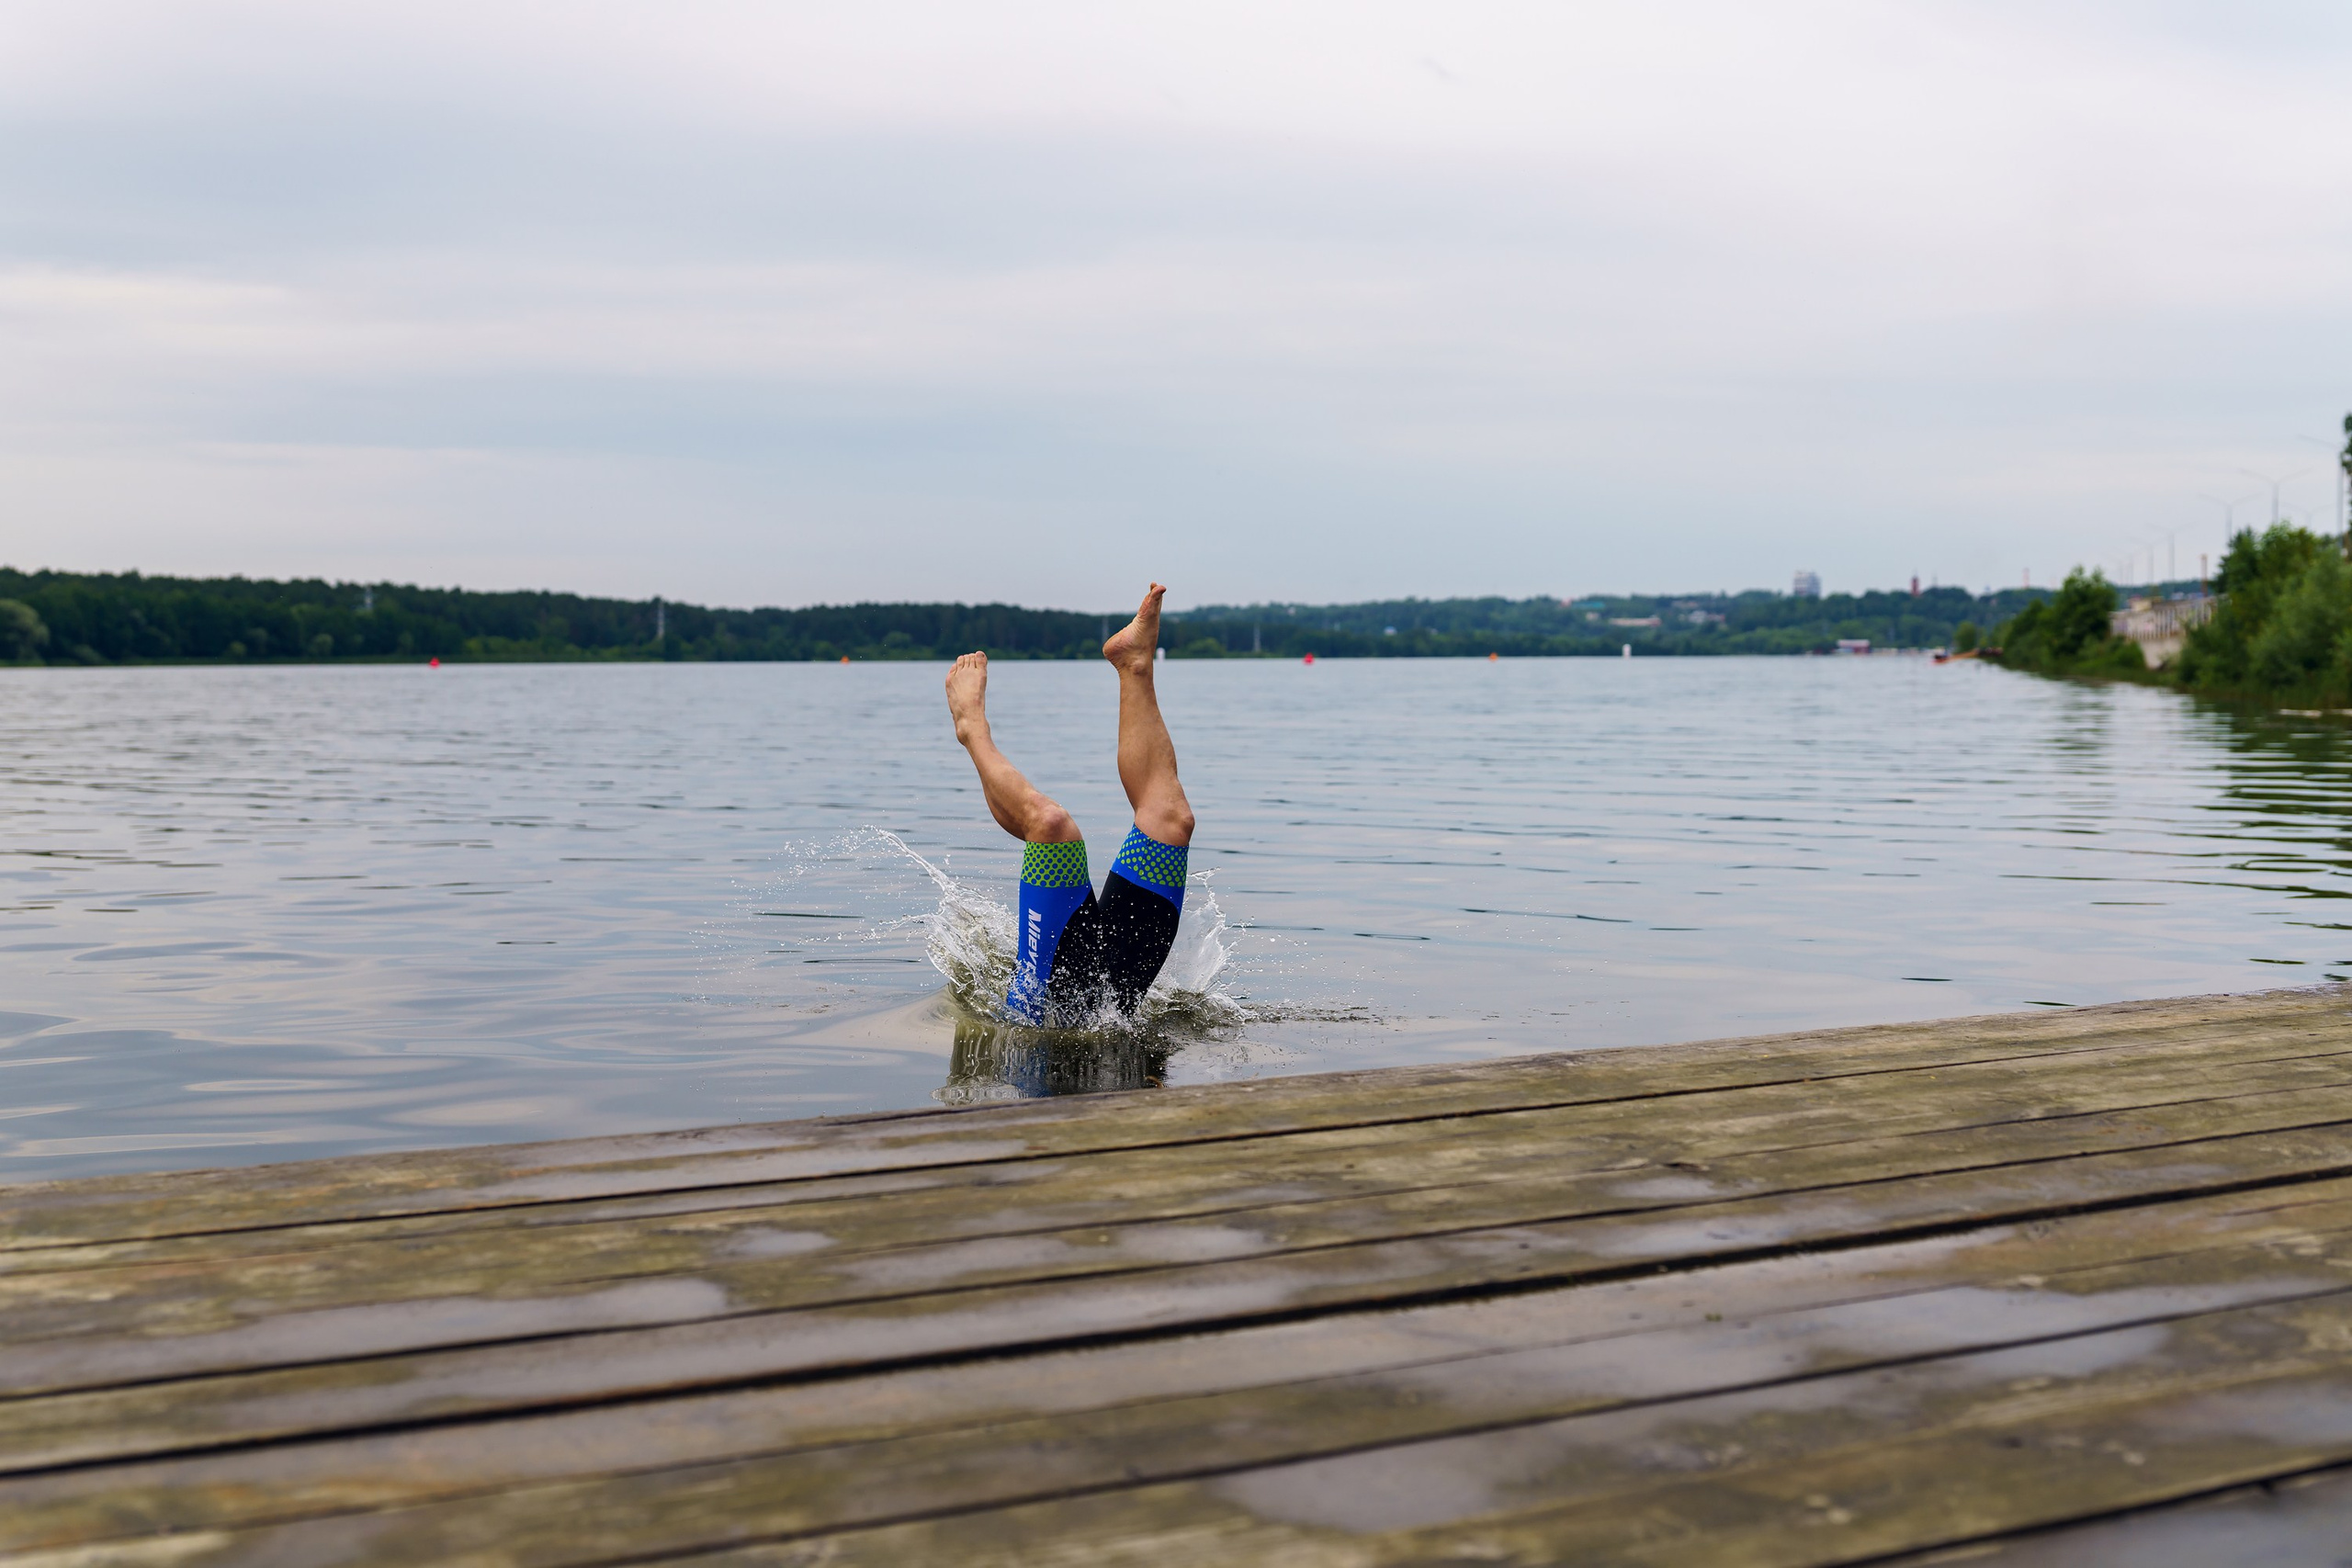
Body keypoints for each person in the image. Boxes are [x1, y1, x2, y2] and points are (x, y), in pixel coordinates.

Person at [944, 582, 1196, 1027]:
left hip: (1069, 1018)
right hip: (1058, 1019)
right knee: (1146, 821)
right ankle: (972, 728)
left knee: (1069, 824)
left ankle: (1133, 664)